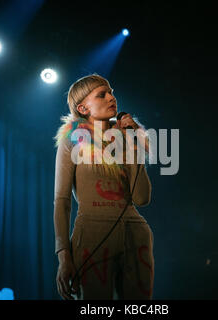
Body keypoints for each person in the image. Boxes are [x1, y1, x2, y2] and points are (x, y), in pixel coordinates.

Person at [53, 74, 154, 300]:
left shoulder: (125, 137)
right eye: (102, 94)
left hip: (135, 235)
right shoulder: (72, 141)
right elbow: (62, 201)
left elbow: (141, 198)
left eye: (111, 92)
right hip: (91, 236)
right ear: (83, 108)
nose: (111, 98)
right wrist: (64, 256)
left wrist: (130, 141)